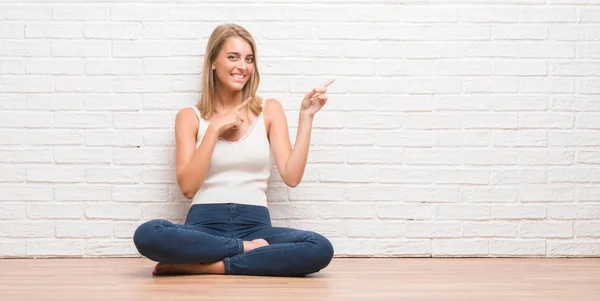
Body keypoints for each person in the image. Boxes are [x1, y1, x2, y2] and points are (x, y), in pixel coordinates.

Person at [132, 23, 335, 277]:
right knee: (148, 234)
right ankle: (246, 251)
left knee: (319, 247)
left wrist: (307, 117)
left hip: (257, 227)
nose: (243, 66)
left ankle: (211, 266)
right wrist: (214, 129)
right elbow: (187, 188)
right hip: (203, 227)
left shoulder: (269, 110)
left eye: (249, 59)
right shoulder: (189, 117)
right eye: (232, 57)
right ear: (213, 62)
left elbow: (291, 177)